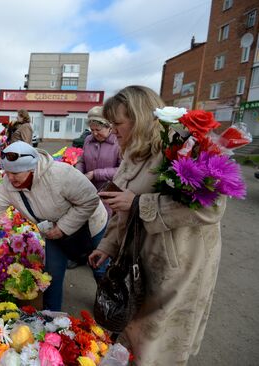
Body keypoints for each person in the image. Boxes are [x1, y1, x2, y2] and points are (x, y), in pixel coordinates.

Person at [88, 85, 227, 365]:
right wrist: (108, 244)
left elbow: (211, 207)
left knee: (157, 345)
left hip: (177, 266)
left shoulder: (183, 146)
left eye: (117, 123)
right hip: (140, 261)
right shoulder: (132, 151)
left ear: (139, 118)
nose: (112, 130)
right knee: (134, 336)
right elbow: (121, 202)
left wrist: (141, 203)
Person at [0, 141, 108, 311]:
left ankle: (107, 306)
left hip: (90, 225)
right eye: (7, 172)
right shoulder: (8, 185)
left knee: (98, 267)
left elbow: (90, 200)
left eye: (16, 173)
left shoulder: (60, 174)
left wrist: (62, 228)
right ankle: (51, 318)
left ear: (31, 168)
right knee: (51, 276)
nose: (10, 178)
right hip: (53, 232)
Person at [76, 106, 121, 214]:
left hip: (110, 194)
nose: (95, 133)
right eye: (92, 130)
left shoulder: (119, 142)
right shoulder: (88, 140)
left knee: (106, 222)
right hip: (88, 191)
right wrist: (78, 173)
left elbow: (122, 169)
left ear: (109, 127)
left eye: (98, 130)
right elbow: (82, 160)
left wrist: (95, 174)